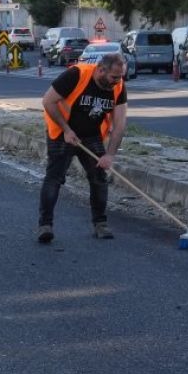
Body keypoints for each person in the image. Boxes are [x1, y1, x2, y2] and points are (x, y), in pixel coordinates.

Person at [37, 52, 129, 243]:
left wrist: (110, 155)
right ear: (101, 70)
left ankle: (100, 224)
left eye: (120, 77)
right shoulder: (77, 74)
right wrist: (66, 129)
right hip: (63, 133)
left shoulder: (118, 86)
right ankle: (45, 225)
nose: (116, 82)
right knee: (55, 178)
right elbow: (48, 101)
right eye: (113, 77)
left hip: (91, 135)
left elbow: (119, 124)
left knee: (99, 178)